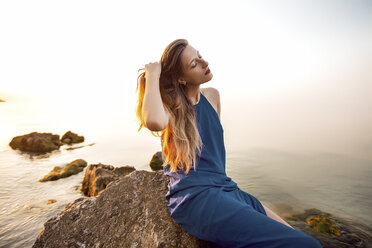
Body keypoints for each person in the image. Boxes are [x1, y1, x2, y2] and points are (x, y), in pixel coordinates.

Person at [135, 39, 322, 248]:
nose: (204, 63)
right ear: (181, 78)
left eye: (199, 55)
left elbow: (213, 153)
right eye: (194, 64)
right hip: (197, 198)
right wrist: (153, 76)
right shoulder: (174, 107)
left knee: (301, 238)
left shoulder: (212, 96)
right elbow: (154, 121)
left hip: (226, 188)